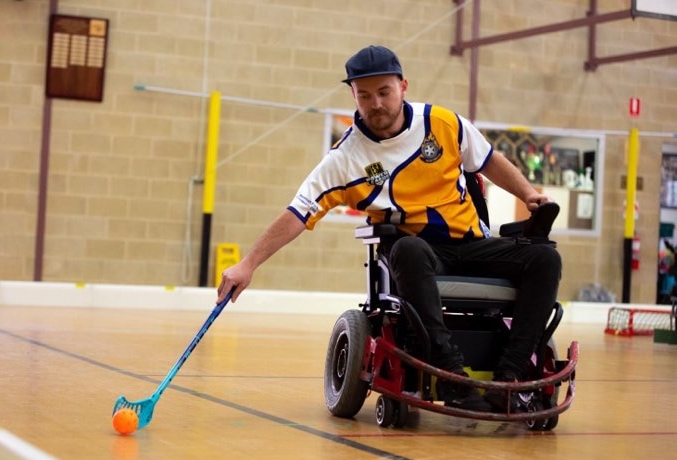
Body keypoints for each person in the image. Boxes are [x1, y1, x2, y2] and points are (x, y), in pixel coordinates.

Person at [216, 45, 562, 413]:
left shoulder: (442, 124)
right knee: (408, 249)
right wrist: (248, 264)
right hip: (420, 255)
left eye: (384, 92)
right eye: (364, 95)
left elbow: (489, 160)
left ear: (403, 87)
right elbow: (298, 212)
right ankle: (450, 373)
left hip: (473, 245)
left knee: (544, 258)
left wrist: (528, 195)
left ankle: (508, 380)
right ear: (354, 96)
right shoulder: (346, 158)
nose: (375, 104)